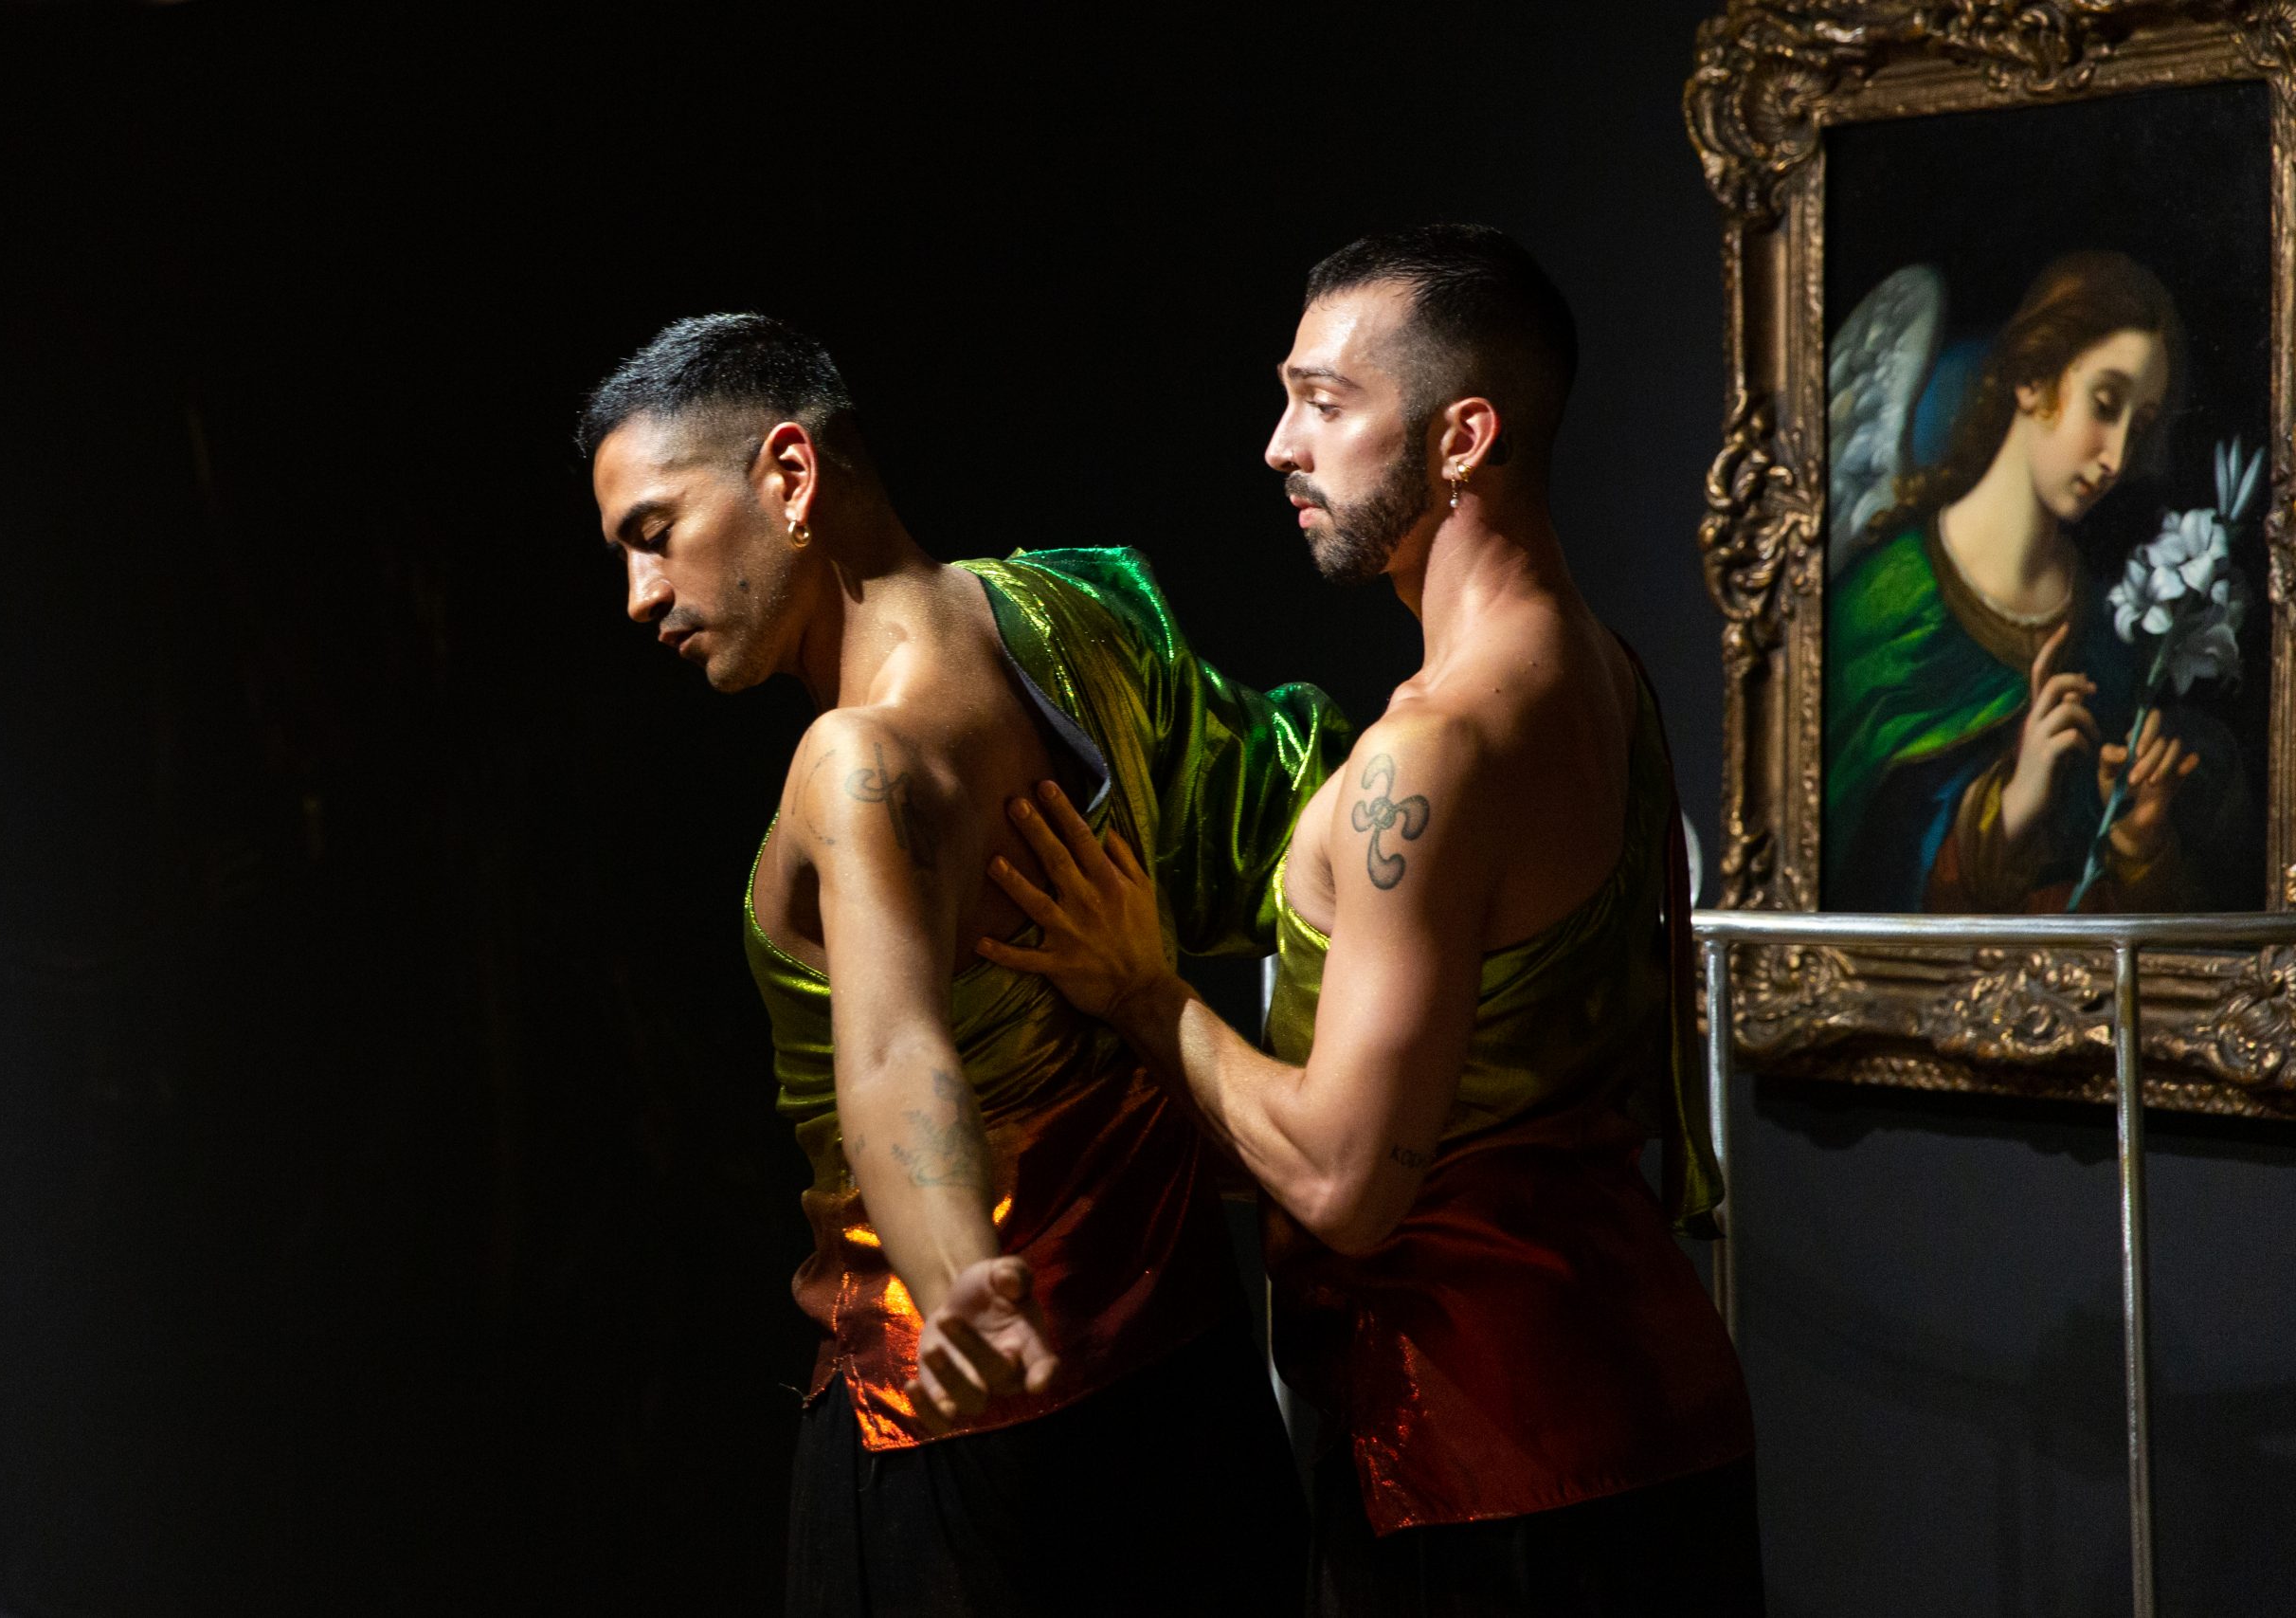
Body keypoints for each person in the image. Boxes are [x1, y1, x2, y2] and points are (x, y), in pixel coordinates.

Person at [975, 227, 1763, 1614]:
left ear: (1463, 436)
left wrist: (1146, 992)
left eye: (1327, 403)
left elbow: (1348, 1182)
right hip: (1650, 1404)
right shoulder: (1604, 673)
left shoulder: (1432, 753)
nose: (1282, 444)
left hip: (1482, 1455)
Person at [580, 313, 1336, 1616]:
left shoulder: (853, 761)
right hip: (1188, 1390)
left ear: (791, 475)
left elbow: (890, 1051)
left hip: (972, 1435)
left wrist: (950, 1281)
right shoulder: (1077, 608)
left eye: (654, 532)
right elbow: (1282, 802)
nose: (641, 595)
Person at [1825, 250, 2256, 912]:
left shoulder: (2110, 644)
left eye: (2137, 429)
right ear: (2031, 377)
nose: (2116, 458)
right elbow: (1842, 880)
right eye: (2105, 404)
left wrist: (2140, 843)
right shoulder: (1884, 602)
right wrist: (2011, 805)